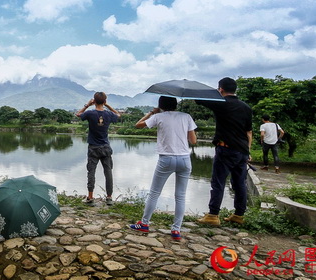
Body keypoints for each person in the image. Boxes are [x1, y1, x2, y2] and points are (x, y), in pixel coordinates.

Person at [128, 96, 197, 241]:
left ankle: (144, 224)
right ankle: (176, 230)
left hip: (166, 159)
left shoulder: (158, 116)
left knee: (154, 193)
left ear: (160, 106)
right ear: (175, 105)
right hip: (185, 159)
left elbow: (138, 125)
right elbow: (193, 140)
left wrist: (151, 113)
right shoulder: (186, 116)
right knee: (180, 196)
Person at [196, 77, 253, 226]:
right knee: (239, 183)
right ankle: (238, 215)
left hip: (226, 150)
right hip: (242, 152)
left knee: (218, 182)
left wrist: (213, 93)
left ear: (221, 89)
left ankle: (213, 215)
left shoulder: (221, 103)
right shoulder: (246, 107)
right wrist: (248, 152)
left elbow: (199, 100)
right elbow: (249, 132)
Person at [76, 92, 121, 206]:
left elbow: (78, 114)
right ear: (104, 102)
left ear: (94, 101)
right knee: (108, 172)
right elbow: (118, 115)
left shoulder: (90, 113)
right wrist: (108, 106)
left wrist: (87, 105)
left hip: (93, 148)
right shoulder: (109, 114)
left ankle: (90, 197)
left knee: (91, 172)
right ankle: (109, 197)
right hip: (105, 147)